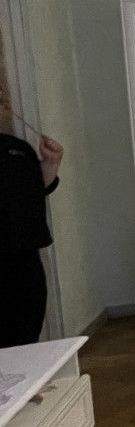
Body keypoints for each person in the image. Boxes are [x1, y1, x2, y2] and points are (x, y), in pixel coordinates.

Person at [0, 101, 63, 347]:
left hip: (26, 257)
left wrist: (51, 163)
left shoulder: (18, 148)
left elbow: (36, 190)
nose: (3, 102)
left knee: (27, 334)